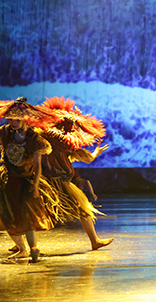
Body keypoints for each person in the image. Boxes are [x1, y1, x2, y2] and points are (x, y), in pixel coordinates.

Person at [36, 96, 113, 250]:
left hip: (46, 180)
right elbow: (88, 159)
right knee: (82, 210)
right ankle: (94, 241)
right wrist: (96, 152)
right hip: (55, 181)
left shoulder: (42, 138)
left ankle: (20, 243)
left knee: (33, 210)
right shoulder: (64, 142)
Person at [0, 97, 57, 262]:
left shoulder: (34, 139)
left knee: (28, 215)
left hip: (27, 180)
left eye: (17, 120)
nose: (14, 123)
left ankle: (33, 248)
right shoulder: (4, 132)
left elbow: (38, 166)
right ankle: (22, 249)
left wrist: (36, 186)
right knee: (7, 215)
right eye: (11, 119)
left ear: (25, 119)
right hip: (9, 180)